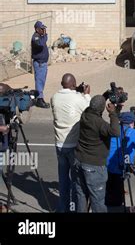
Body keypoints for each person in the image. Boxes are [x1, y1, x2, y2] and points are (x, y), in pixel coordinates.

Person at [50, 74, 91, 212]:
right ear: (73, 84)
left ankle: (63, 208)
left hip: (59, 144)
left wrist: (76, 91)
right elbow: (89, 109)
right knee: (76, 180)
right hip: (74, 145)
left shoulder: (54, 97)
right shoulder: (78, 98)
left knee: (63, 179)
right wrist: (86, 94)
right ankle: (75, 207)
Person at [73, 95, 120, 212]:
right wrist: (113, 113)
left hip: (79, 161)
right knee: (97, 200)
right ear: (102, 109)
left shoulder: (84, 115)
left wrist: (107, 95)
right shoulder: (99, 123)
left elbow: (95, 104)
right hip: (94, 166)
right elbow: (115, 131)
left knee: (81, 195)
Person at [105, 111, 135, 207]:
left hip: (108, 166)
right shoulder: (132, 132)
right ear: (132, 123)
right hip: (121, 168)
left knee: (109, 191)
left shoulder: (113, 129)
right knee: (117, 199)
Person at [31, 21, 50, 109]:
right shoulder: (36, 37)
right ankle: (39, 100)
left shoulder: (40, 36)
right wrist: (45, 35)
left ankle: (39, 97)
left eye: (44, 29)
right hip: (39, 63)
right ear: (37, 29)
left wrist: (44, 35)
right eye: (42, 29)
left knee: (41, 82)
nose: (43, 30)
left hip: (43, 63)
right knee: (39, 81)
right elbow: (41, 44)